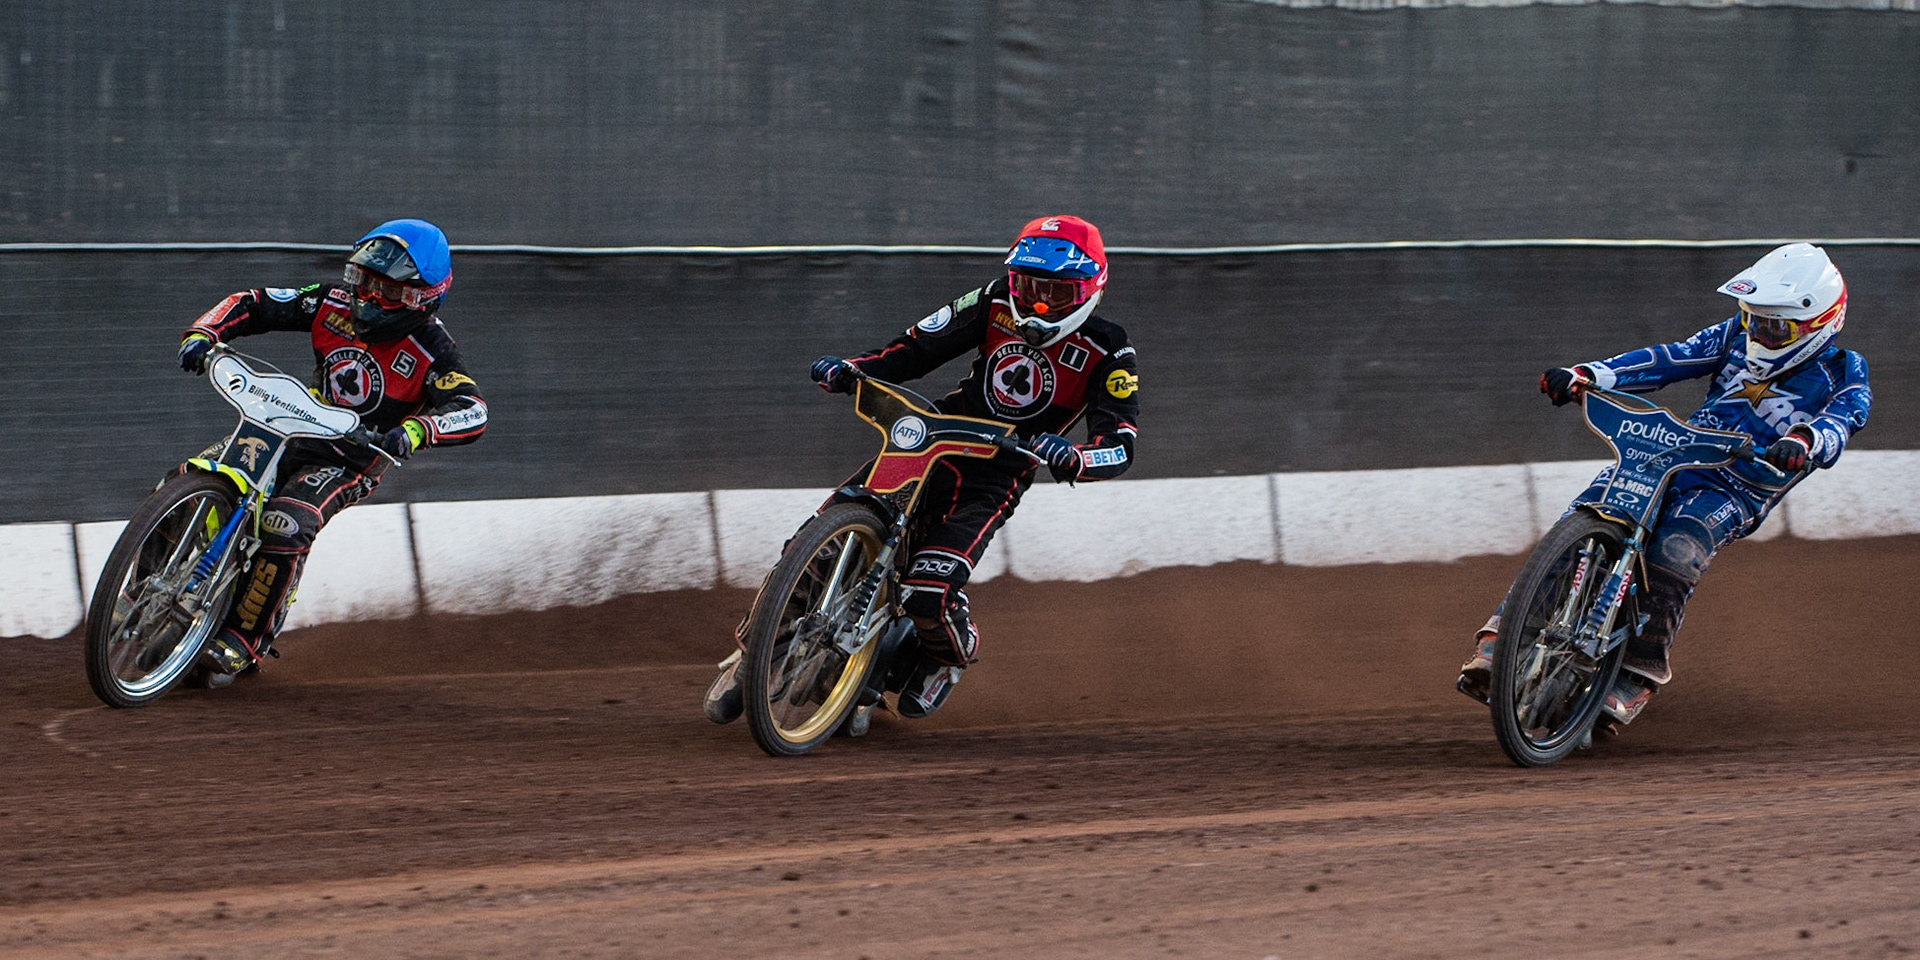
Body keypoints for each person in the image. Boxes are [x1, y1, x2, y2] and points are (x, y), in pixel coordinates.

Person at [705, 214, 1142, 723]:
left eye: (1056, 293)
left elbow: (1120, 443)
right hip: (930, 440)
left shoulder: (1111, 349)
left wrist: (1076, 456)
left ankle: (947, 657)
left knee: (929, 592)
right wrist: (854, 369)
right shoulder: (993, 300)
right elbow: (916, 347)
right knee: (810, 549)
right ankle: (750, 659)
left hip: (996, 474)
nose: (1038, 303)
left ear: (1091, 289)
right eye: (1029, 286)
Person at [1456, 242, 1871, 725]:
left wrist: (1804, 441)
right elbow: (1670, 359)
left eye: (1775, 327)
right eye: (1754, 319)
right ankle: (1503, 637)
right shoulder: (1733, 336)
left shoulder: (1844, 371)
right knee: (1589, 509)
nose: (1759, 333)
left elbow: (1843, 419)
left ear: (1820, 323)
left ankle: (1636, 675)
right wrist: (1589, 375)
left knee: (1676, 549)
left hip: (1738, 485)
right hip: (1676, 451)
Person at [175, 218, 488, 678]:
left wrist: (415, 431)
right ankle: (137, 591)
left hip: (351, 459)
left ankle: (244, 640)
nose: (368, 298)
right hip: (290, 426)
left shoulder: (434, 350)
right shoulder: (331, 300)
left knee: (286, 523)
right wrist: (204, 333)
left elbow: (473, 409)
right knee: (187, 479)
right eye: (363, 280)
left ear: (423, 299)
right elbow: (255, 302)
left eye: (388, 291)